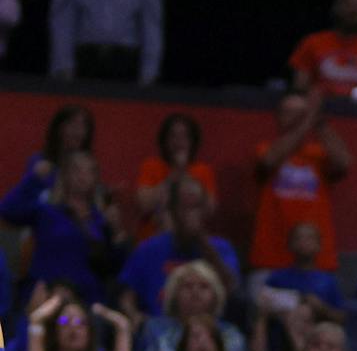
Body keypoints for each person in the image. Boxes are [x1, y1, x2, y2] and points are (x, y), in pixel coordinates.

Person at [0, 149, 127, 304]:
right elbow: (7, 210)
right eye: (77, 169)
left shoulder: (101, 220)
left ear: (96, 177)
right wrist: (34, 178)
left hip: (86, 305)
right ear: (65, 174)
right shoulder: (47, 211)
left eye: (89, 171)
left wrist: (117, 233)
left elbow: (114, 269)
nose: (82, 176)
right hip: (45, 297)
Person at [250, 90, 350, 273]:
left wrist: (318, 123)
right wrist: (307, 120)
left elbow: (344, 162)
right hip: (271, 259)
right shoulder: (264, 148)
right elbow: (269, 161)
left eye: (301, 114)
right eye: (290, 113)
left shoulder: (318, 154)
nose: (296, 119)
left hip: (316, 262)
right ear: (278, 117)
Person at [119, 176, 240, 319]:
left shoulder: (221, 248)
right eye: (186, 207)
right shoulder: (148, 249)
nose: (191, 214)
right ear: (173, 211)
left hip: (208, 331)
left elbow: (232, 290)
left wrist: (201, 241)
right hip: (160, 330)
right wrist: (136, 318)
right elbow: (125, 295)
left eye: (196, 207)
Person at [134, 261, 251, 351]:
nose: (195, 293)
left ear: (216, 295)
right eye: (187, 286)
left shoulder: (231, 334)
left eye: (204, 286)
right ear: (174, 294)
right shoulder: (154, 329)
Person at [134, 112, 219, 242]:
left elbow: (209, 210)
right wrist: (175, 174)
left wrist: (187, 176)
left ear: (193, 141)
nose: (178, 142)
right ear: (165, 140)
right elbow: (144, 205)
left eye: (184, 136)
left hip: (189, 243)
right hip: (152, 240)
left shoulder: (203, 170)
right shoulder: (151, 166)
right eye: (173, 136)